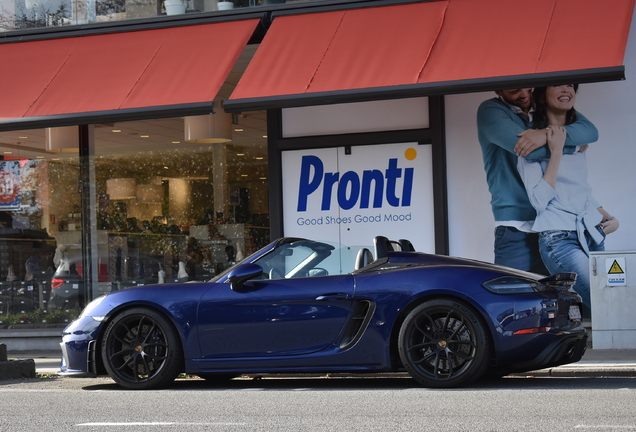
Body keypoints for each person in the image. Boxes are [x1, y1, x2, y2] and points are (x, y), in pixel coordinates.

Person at [517, 84, 619, 313]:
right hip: (559, 239)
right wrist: (555, 152)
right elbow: (539, 201)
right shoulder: (530, 144)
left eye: (571, 85)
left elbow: (581, 191)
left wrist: (609, 217)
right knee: (605, 302)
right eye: (558, 84)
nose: (567, 89)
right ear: (542, 95)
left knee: (615, 299)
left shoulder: (578, 140)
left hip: (591, 233)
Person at [477, 88, 599, 274]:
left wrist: (543, 134)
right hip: (517, 225)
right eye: (515, 90)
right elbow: (529, 152)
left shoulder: (541, 104)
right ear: (499, 90)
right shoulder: (491, 111)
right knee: (514, 298)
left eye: (529, 88)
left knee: (563, 299)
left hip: (557, 225)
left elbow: (589, 131)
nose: (525, 95)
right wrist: (571, 146)